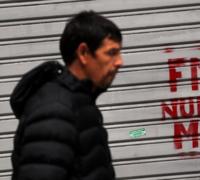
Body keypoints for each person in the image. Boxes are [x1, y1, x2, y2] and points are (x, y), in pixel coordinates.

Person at [10, 10, 123, 180]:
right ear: (83, 53)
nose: (120, 62)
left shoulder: (79, 101)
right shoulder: (55, 110)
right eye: (111, 53)